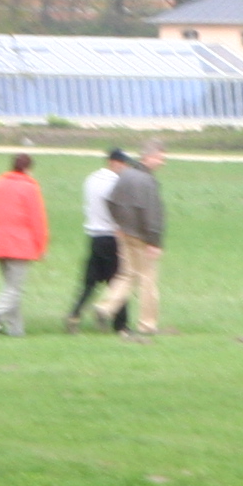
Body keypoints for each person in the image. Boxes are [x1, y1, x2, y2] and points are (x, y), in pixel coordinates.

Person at [90, 142, 166, 339]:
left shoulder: (125, 175)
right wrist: (154, 241)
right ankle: (147, 324)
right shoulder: (148, 181)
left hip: (125, 234)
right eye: (160, 158)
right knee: (147, 279)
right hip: (142, 237)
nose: (162, 162)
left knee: (127, 275)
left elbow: (111, 202)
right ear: (148, 157)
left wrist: (118, 225)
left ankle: (105, 308)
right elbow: (152, 214)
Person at [0, 153, 48, 336]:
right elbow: (37, 220)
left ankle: (16, 330)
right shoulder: (30, 187)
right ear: (28, 169)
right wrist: (41, 246)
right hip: (21, 244)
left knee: (9, 287)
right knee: (15, 289)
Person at [65, 148, 131, 334]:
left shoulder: (91, 179)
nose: (125, 168)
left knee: (90, 282)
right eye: (123, 164)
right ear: (114, 162)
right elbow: (118, 211)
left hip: (94, 236)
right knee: (118, 281)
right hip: (111, 236)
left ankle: (74, 314)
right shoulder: (115, 183)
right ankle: (120, 324)